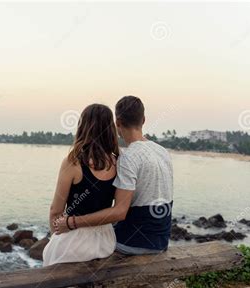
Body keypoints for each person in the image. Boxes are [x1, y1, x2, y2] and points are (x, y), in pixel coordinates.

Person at [54, 95, 174, 255]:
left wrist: (72, 222)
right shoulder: (162, 151)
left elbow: (119, 212)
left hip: (133, 242)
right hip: (161, 241)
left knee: (91, 242)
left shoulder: (128, 157)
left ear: (117, 123)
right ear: (143, 120)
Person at [31, 103, 119, 288]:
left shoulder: (73, 161)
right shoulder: (118, 162)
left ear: (83, 126)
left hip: (74, 240)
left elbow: (56, 210)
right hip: (105, 241)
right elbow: (116, 207)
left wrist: (57, 235)